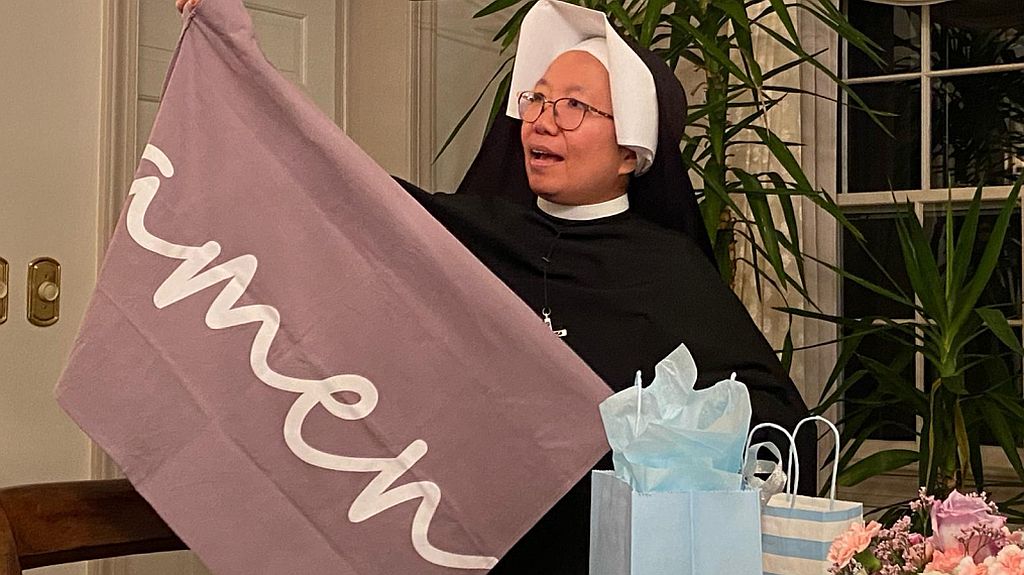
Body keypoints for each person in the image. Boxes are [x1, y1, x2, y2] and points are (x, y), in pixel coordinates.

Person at [176, 0, 812, 572]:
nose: (542, 122)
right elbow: (329, 188)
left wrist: (660, 435)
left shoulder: (670, 272)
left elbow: (781, 430)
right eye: (536, 100)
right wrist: (236, 57)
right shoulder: (468, 237)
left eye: (574, 106)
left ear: (631, 151)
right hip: (455, 546)